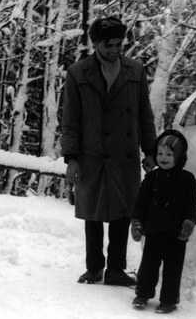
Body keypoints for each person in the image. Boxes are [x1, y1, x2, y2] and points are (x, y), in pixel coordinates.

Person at [60, 16, 156, 286]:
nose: (115, 49)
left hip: (124, 154)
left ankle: (115, 269)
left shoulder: (135, 70)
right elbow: (71, 119)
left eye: (119, 44)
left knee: (123, 212)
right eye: (109, 45)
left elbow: (144, 116)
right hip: (92, 154)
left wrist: (150, 150)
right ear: (96, 44)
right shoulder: (78, 73)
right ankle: (94, 268)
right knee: (92, 212)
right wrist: (72, 158)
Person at [130, 129, 196, 314]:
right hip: (153, 231)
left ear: (179, 156)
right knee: (148, 265)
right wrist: (137, 221)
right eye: (160, 153)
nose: (163, 157)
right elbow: (141, 201)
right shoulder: (151, 178)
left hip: (176, 234)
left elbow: (193, 203)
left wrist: (189, 221)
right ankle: (143, 293)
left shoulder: (188, 179)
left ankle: (169, 300)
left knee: (172, 269)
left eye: (169, 154)